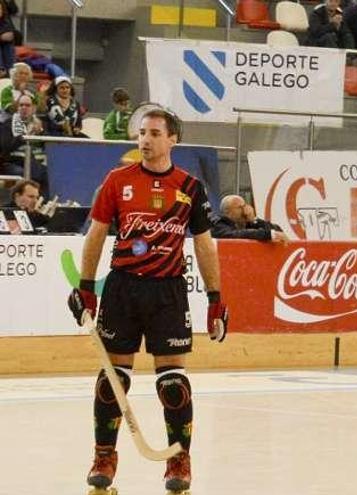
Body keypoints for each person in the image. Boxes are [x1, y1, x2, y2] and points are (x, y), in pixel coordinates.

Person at [66, 108, 229, 494]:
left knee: (173, 384)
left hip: (167, 292)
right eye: (141, 133)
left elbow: (205, 245)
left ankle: (179, 459)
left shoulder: (190, 187)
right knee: (112, 380)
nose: (145, 140)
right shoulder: (117, 180)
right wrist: (87, 287)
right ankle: (104, 455)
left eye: (155, 133)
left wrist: (215, 299)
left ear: (173, 139)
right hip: (122, 289)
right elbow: (96, 235)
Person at [2, 93, 47, 189]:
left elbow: (48, 145)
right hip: (14, 162)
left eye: (27, 105)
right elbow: (5, 147)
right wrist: (24, 137)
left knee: (48, 172)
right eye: (21, 105)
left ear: (33, 108)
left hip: (37, 162)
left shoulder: (41, 124)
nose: (24, 108)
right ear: (17, 108)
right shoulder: (8, 124)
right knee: (24, 172)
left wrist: (41, 132)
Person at [210, 194, 290, 243]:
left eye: (245, 206)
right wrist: (268, 234)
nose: (245, 210)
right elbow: (234, 235)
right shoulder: (218, 223)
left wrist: (254, 220)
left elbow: (278, 231)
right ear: (227, 211)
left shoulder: (249, 223)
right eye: (240, 207)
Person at [0, 1, 15, 78]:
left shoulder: (5, 22)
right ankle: (2, 69)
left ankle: (8, 70)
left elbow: (10, 36)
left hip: (5, 51)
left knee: (8, 44)